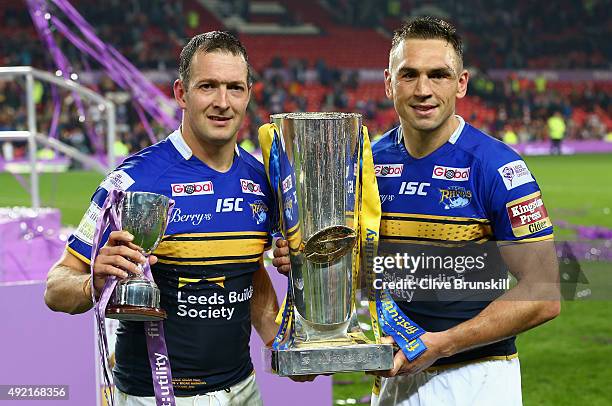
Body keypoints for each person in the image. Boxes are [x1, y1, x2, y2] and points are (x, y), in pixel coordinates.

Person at [273, 17, 560, 405]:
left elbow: (543, 293)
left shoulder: (496, 167)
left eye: (438, 75)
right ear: (389, 82)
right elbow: (359, 269)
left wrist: (441, 344)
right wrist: (310, 260)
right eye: (409, 75)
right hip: (391, 377)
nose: (423, 90)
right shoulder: (365, 166)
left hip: (474, 379)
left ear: (461, 83)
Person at [45, 31, 279, 405]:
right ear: (181, 93)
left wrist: (279, 339)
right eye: (208, 86)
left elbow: (248, 271)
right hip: (154, 396)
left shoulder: (259, 179)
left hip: (243, 390)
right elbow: (56, 288)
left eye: (235, 87)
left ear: (249, 94)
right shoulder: (134, 181)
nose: (223, 102)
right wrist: (95, 281)